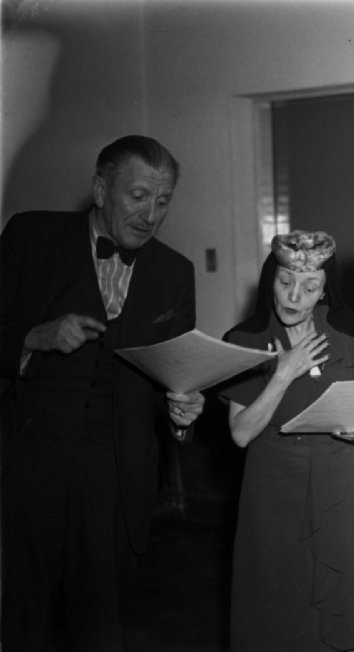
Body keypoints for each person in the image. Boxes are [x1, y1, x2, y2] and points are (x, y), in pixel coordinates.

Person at [0, 135, 205, 651]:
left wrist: (182, 412)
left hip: (116, 480)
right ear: (99, 190)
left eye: (163, 201)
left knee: (101, 628)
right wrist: (34, 336)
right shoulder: (29, 236)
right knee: (20, 621)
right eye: (138, 196)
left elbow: (173, 379)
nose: (150, 214)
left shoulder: (175, 273)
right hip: (27, 466)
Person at [220, 230, 354, 652]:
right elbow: (240, 433)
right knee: (277, 608)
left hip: (337, 479)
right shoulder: (245, 340)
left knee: (341, 607)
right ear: (269, 281)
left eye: (309, 287)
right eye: (285, 282)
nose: (294, 296)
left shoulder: (346, 335)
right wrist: (283, 374)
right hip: (273, 484)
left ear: (325, 291)